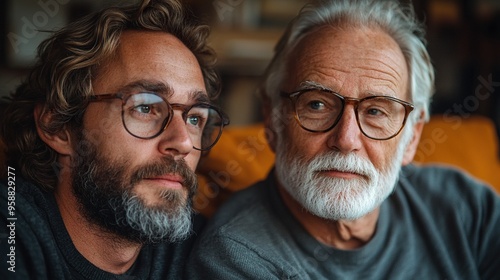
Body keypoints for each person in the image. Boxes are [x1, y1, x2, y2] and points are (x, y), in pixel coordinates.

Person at [187, 0, 500, 279]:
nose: (346, 139)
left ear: (413, 135)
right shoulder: (237, 258)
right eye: (317, 105)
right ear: (273, 120)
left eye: (376, 111)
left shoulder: (467, 208)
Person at [0, 0, 229, 279]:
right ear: (58, 127)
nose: (182, 143)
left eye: (194, 118)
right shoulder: (11, 235)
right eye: (145, 107)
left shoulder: (207, 251)